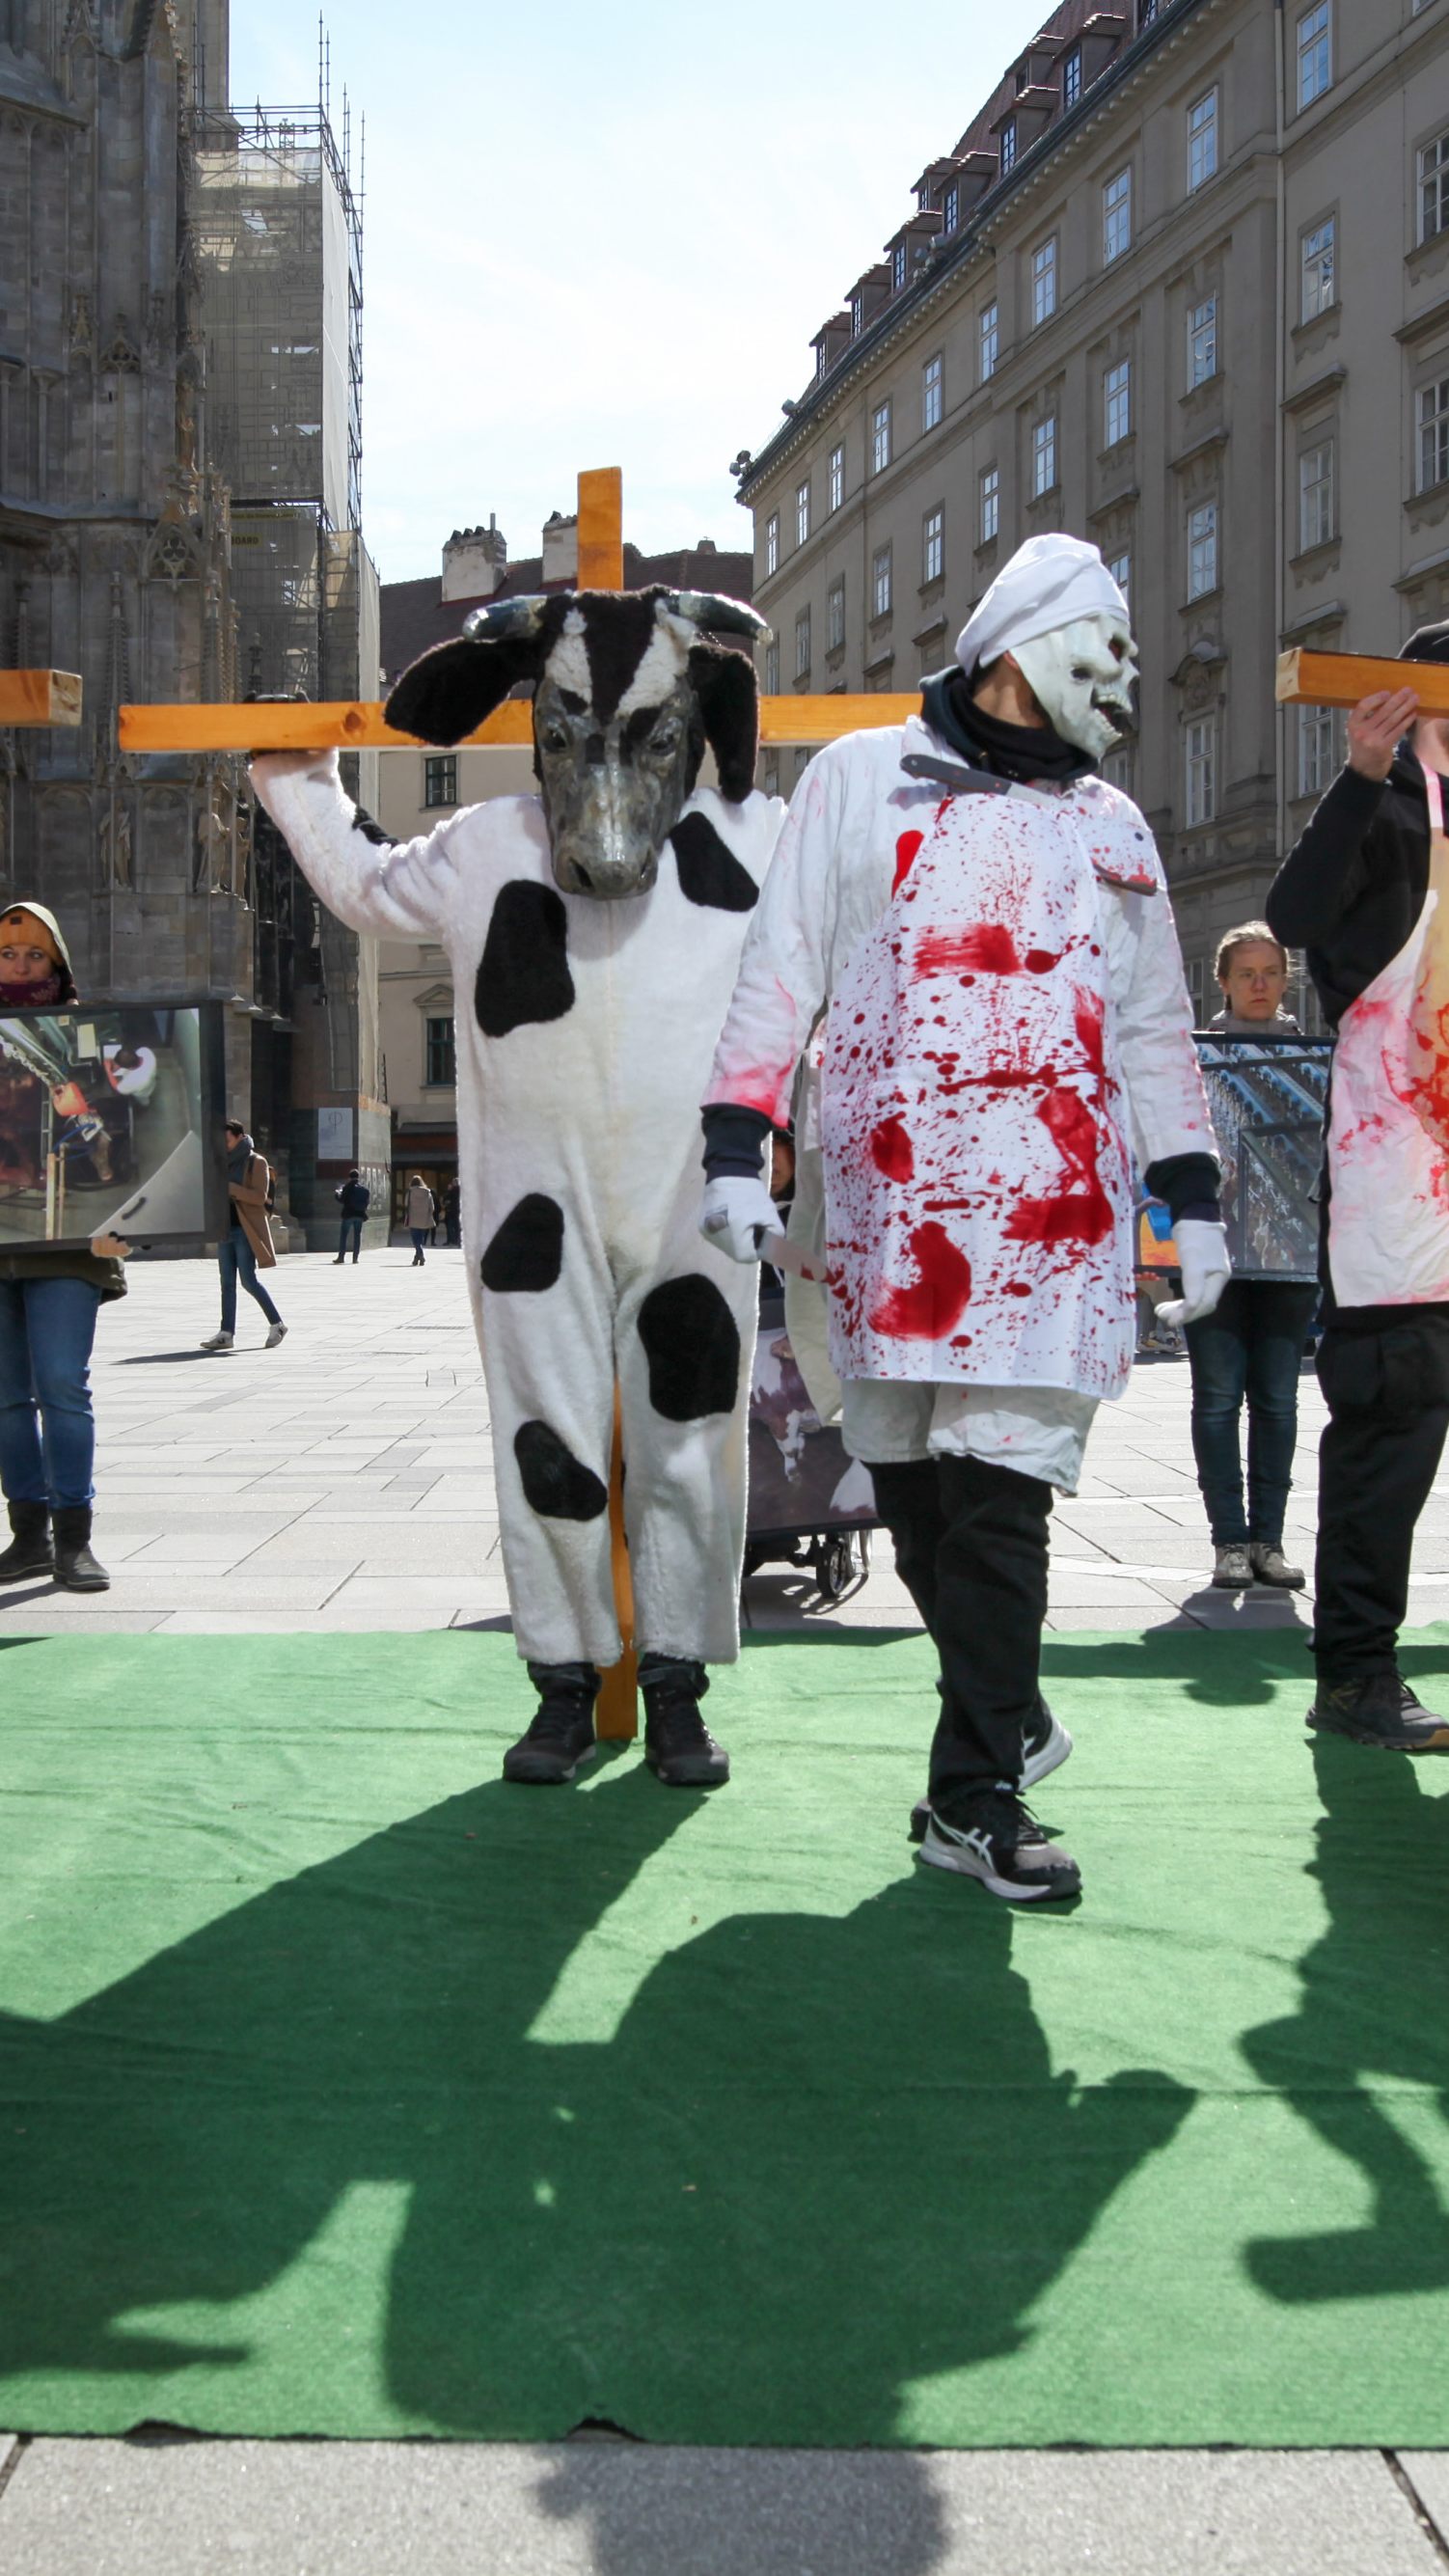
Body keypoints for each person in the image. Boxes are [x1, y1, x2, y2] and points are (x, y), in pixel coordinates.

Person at [702, 534, 1223, 1904]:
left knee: (999, 1497)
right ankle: (1001, 1716)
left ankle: (974, 1792)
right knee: (921, 1488)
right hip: (886, 1220)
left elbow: (1158, 1025)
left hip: (1052, 1217)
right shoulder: (858, 778)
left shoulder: (1113, 825)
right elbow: (780, 967)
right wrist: (732, 1138)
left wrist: (1192, 1191)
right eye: (1104, 644)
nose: (1122, 676)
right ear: (1023, 644)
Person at [250, 579, 784, 1791]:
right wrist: (294, 775)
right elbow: (364, 880)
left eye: (648, 734)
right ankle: (559, 1677)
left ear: (695, 722)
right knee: (541, 1434)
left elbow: (833, 955)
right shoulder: (485, 846)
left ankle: (679, 1682)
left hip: (689, 1194)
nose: (597, 798)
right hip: (524, 1209)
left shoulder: (759, 841)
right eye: (562, 733)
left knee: (690, 1438)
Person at [1266, 626, 1449, 1754]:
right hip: (1398, 1191)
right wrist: (1361, 774)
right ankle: (1354, 1673)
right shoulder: (1384, 815)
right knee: (1390, 1430)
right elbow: (1289, 919)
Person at [1184, 921, 1317, 1591]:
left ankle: (1268, 1538)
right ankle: (1228, 1542)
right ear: (1225, 982)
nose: (1259, 985)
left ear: (1286, 979)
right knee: (1215, 1399)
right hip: (1215, 1248)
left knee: (1277, 1401)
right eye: (1247, 974)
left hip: (1292, 1252)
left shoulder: (1312, 1057)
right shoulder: (1197, 1054)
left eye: (1270, 973)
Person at [0, 900, 124, 1592]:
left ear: (57, 965)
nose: (20, 966)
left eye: (34, 956)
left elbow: (106, 1125)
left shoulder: (86, 1030)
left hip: (70, 1245)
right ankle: (28, 1535)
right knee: (8, 1399)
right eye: (9, 955)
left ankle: (74, 1539)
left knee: (59, 1386)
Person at [201, 1120, 287, 1352]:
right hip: (224, 1229)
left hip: (245, 1229)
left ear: (240, 1137)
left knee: (248, 1280)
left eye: (227, 1139)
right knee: (226, 1283)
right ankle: (226, 1333)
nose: (223, 1144)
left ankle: (277, 1324)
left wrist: (230, 1188)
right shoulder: (221, 1162)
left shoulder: (255, 1162)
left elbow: (260, 1197)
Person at [334, 1166, 369, 1264]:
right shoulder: (364, 1189)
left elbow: (342, 1200)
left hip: (348, 1215)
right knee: (357, 1236)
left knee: (344, 1235)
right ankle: (355, 1258)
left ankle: (341, 1257)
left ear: (349, 1177)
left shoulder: (347, 1187)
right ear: (358, 1177)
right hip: (359, 1215)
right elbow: (367, 1203)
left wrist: (337, 1194)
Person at [405, 1173, 435, 1266]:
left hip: (413, 1218)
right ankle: (417, 1257)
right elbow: (432, 1207)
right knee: (420, 1238)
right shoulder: (427, 1192)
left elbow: (406, 1204)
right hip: (424, 1218)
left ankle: (420, 1255)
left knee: (415, 1239)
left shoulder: (410, 1192)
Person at [443, 1177, 461, 1248]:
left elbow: (447, 1199)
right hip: (458, 1211)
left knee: (450, 1227)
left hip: (451, 1211)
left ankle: (451, 1240)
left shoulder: (452, 1191)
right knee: (457, 1227)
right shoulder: (461, 1191)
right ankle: (457, 1240)